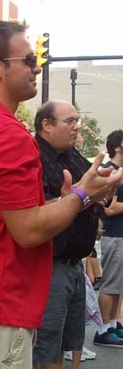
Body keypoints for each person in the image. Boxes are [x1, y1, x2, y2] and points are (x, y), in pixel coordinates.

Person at [0, 19, 122, 369]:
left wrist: (75, 195)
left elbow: (6, 218)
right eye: (29, 60)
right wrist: (80, 196)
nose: (38, 67)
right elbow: (28, 230)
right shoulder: (5, 133)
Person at [33, 100, 100, 369]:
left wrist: (103, 185)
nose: (76, 127)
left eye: (76, 121)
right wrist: (73, 200)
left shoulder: (73, 155)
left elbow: (91, 187)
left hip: (75, 264)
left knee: (68, 343)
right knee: (46, 346)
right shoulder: (33, 157)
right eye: (69, 121)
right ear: (46, 125)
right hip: (50, 265)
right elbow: (31, 211)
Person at [94, 129, 123, 347]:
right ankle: (103, 330)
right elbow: (109, 208)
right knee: (110, 284)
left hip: (119, 236)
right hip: (114, 236)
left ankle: (113, 325)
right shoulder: (107, 172)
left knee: (118, 285)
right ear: (118, 147)